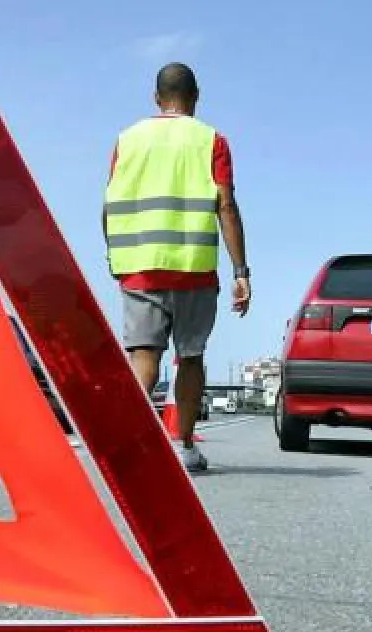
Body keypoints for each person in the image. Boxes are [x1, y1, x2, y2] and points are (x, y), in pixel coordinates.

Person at [102, 61, 250, 472]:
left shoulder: (126, 139)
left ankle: (127, 445)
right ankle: (184, 445)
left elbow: (109, 203)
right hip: (193, 267)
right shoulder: (211, 140)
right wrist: (241, 272)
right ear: (196, 96)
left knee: (143, 355)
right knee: (191, 356)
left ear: (155, 98)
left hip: (138, 265)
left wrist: (113, 257)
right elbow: (227, 206)